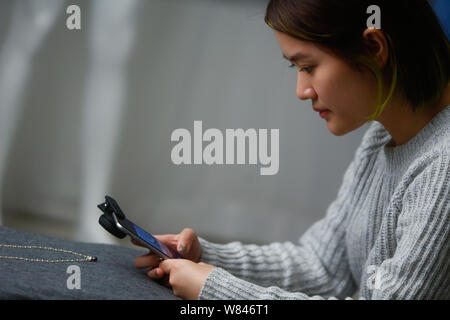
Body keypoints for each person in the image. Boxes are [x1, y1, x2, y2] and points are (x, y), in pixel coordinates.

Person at [133, 0, 450, 300]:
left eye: (309, 66)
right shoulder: (382, 138)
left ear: (375, 47)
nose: (301, 91)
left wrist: (216, 291)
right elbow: (324, 266)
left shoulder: (443, 167)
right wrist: (205, 259)